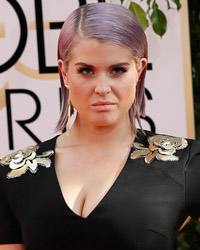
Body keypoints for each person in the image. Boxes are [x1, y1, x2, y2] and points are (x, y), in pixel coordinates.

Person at [0, 2, 200, 250]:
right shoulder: (14, 173)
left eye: (117, 70)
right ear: (64, 72)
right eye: (86, 71)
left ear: (139, 70)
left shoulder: (187, 162)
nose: (102, 88)